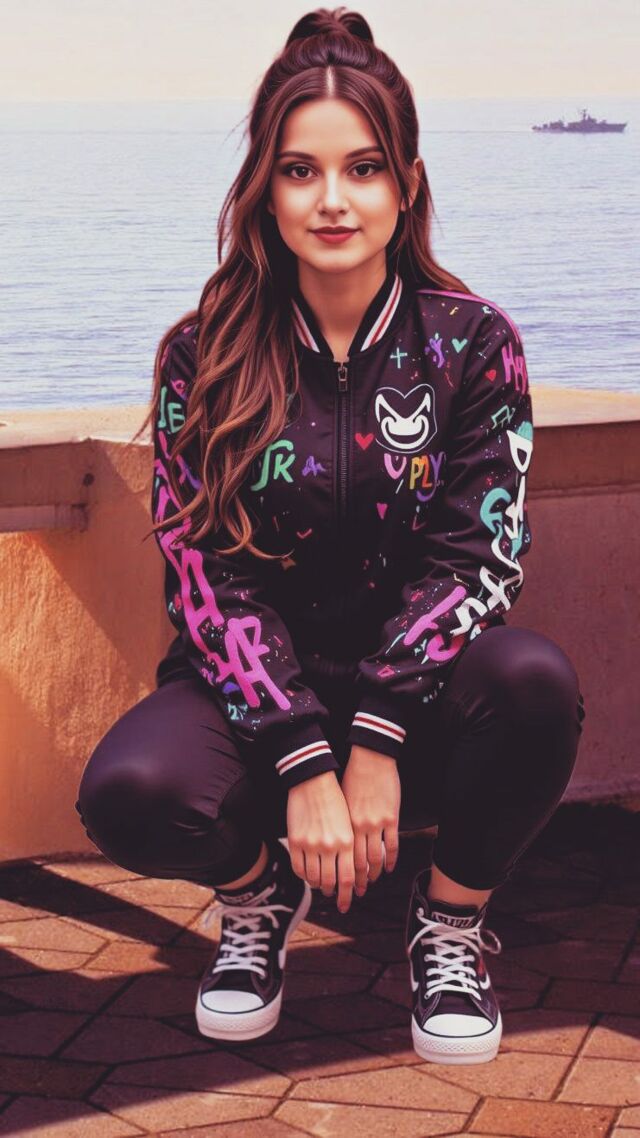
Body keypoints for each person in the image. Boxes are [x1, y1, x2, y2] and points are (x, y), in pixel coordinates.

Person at [75, 6, 586, 1065]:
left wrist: (379, 736)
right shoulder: (203, 356)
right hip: (259, 701)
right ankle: (258, 898)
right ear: (266, 189)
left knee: (536, 685)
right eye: (300, 171)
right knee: (131, 793)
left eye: (362, 168)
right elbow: (205, 581)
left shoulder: (472, 345)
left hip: (425, 702)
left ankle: (449, 921)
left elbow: (479, 556)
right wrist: (306, 757)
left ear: (406, 183)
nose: (333, 200)